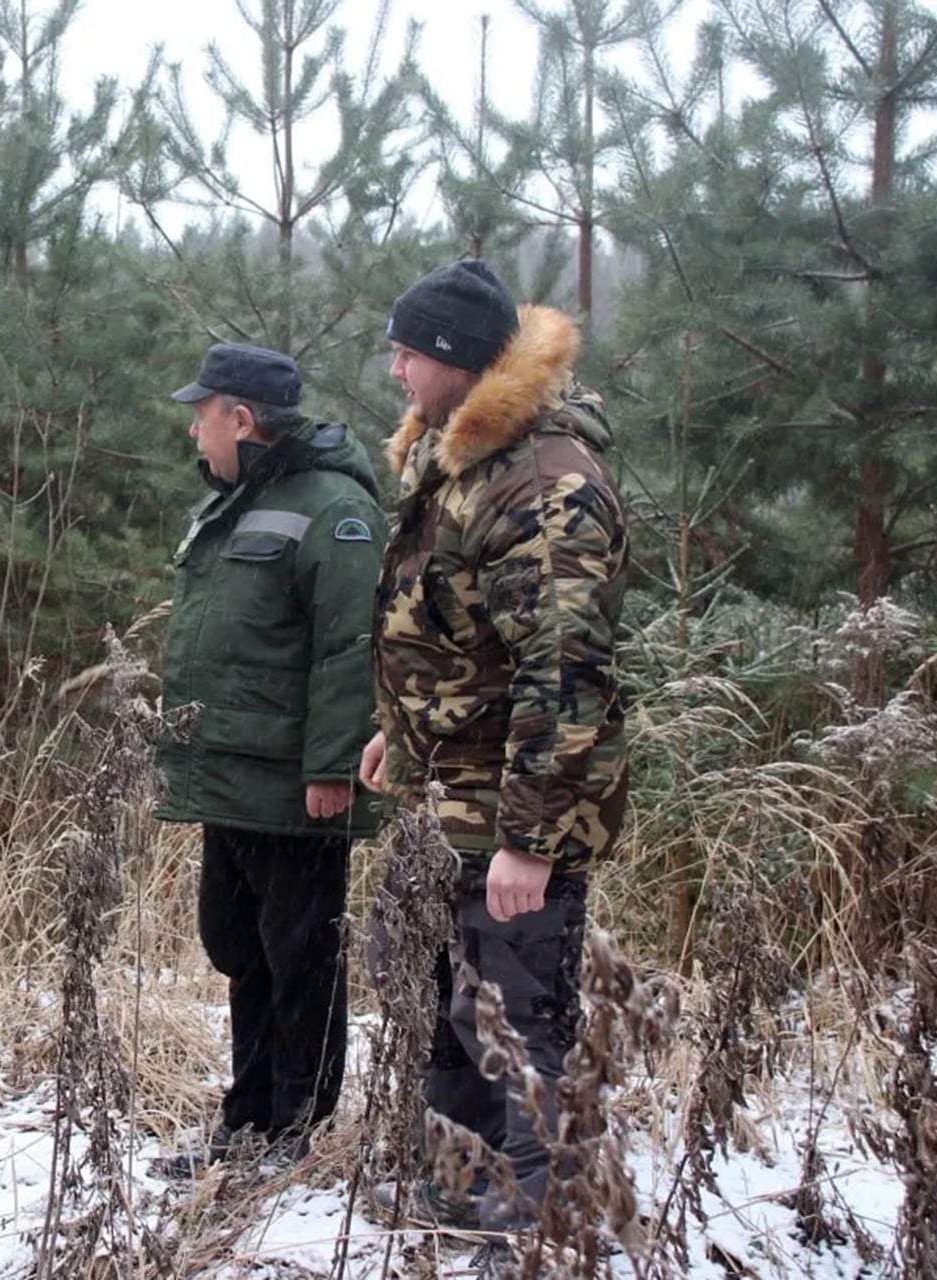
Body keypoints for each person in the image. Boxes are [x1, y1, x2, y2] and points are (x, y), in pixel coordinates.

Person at [356, 260, 628, 1263]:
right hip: (444, 796)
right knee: (436, 1005)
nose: (393, 372)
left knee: (518, 1028)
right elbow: (454, 630)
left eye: (407, 354)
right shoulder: (459, 462)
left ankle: (535, 1220)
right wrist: (405, 725)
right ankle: (461, 1182)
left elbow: (564, 672)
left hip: (509, 816)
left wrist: (530, 838)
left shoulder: (544, 480)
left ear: (459, 362)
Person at [152, 342, 388, 1177]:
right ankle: (245, 1119)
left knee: (299, 955)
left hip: (296, 785)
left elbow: (350, 646)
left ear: (242, 419)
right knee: (236, 942)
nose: (194, 430)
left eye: (203, 413)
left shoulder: (333, 508)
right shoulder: (229, 505)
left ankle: (296, 1128)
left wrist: (331, 767)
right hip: (230, 777)